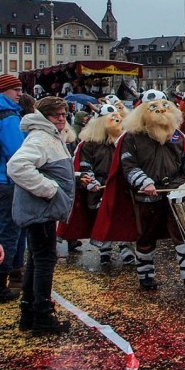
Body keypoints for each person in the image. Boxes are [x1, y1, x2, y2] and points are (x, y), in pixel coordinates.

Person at [93, 90, 185, 291]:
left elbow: (184, 160)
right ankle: (146, 275)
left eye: (164, 106)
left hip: (175, 191)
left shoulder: (177, 134)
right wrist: (144, 183)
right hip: (146, 195)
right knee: (146, 235)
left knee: (182, 232)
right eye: (154, 107)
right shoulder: (131, 137)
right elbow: (128, 165)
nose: (160, 110)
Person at [6, 96, 76, 334]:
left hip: (42, 209)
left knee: (37, 259)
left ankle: (30, 312)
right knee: (45, 259)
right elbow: (17, 166)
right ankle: (42, 315)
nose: (61, 118)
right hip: (41, 209)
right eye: (56, 115)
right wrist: (49, 189)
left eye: (64, 114)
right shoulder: (40, 137)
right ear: (44, 116)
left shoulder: (50, 136)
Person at [58, 104, 136, 265]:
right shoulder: (90, 144)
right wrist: (90, 181)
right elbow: (84, 165)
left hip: (120, 184)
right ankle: (105, 249)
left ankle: (124, 246)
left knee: (122, 215)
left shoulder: (125, 141)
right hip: (99, 185)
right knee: (102, 216)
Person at [0, 74, 27, 306]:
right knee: (9, 231)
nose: (19, 93)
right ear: (4, 92)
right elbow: (16, 151)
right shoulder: (7, 115)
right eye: (15, 89)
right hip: (6, 179)